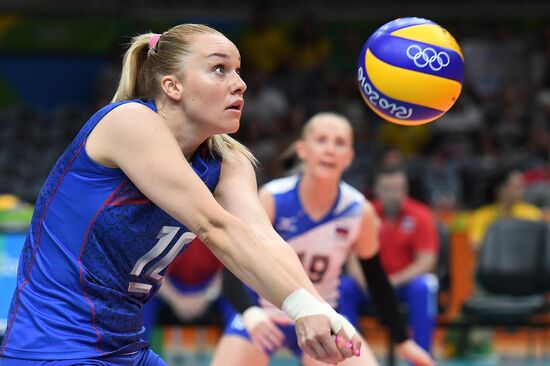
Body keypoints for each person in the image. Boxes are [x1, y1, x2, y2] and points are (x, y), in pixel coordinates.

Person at [0, 24, 362, 365]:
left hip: (125, 348)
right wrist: (298, 308)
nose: (240, 84)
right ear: (172, 86)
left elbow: (263, 238)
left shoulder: (229, 160)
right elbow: (214, 226)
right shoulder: (128, 122)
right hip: (52, 347)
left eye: (238, 71)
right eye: (220, 69)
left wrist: (323, 312)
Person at [210, 113, 434, 366]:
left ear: (349, 157)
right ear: (302, 150)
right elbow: (234, 261)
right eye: (321, 140)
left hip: (324, 317)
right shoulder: (273, 197)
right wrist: (250, 312)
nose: (330, 149)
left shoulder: (359, 210)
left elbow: (376, 278)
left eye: (339, 143)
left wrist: (403, 341)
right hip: (266, 313)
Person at [365, 167, 440, 355]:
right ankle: (348, 357)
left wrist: (392, 281)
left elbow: (427, 261)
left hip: (404, 285)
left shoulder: (421, 215)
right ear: (377, 190)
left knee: (424, 285)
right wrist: (371, 283)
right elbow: (352, 260)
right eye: (387, 189)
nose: (393, 194)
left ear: (406, 190)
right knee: (344, 287)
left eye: (398, 188)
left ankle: (420, 358)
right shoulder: (365, 213)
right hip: (371, 285)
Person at [141, 237, 224, 341]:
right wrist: (177, 300)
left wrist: (206, 297)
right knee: (141, 294)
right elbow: (150, 270)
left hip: (210, 286)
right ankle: (133, 351)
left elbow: (228, 270)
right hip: (170, 284)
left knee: (239, 297)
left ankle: (238, 348)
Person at [469, 167, 542, 251]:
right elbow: (476, 247)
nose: (522, 191)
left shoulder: (532, 213)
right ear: (500, 189)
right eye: (517, 187)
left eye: (522, 187)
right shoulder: (481, 215)